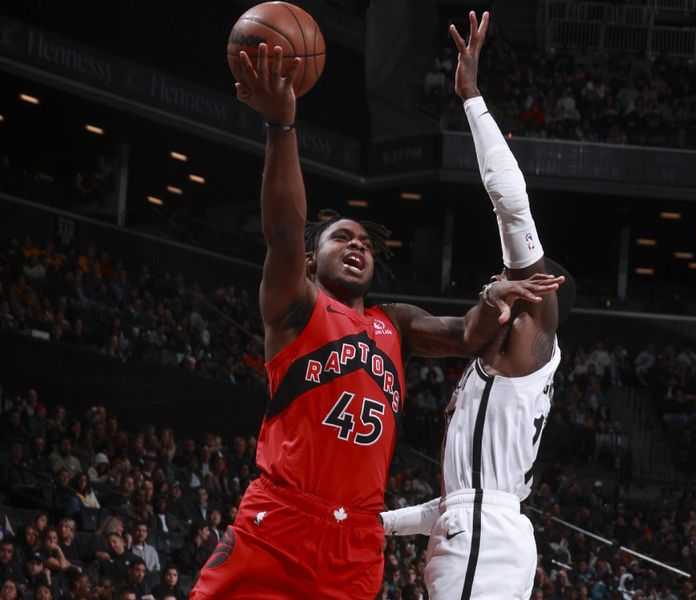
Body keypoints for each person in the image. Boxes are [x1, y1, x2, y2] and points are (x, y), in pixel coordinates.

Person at [189, 34, 562, 600]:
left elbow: (466, 335)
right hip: (283, 516)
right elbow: (285, 232)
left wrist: (492, 299)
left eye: (366, 241)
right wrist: (282, 126)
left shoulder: (396, 322)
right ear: (313, 261)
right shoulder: (296, 305)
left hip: (355, 538)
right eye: (343, 238)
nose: (358, 245)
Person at [380, 12, 574, 600]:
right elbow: (454, 499)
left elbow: (512, 208)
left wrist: (472, 100)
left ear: (540, 295)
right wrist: (376, 523)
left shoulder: (532, 335)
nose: (499, 277)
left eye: (511, 278)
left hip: (482, 539)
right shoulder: (500, 368)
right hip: (482, 531)